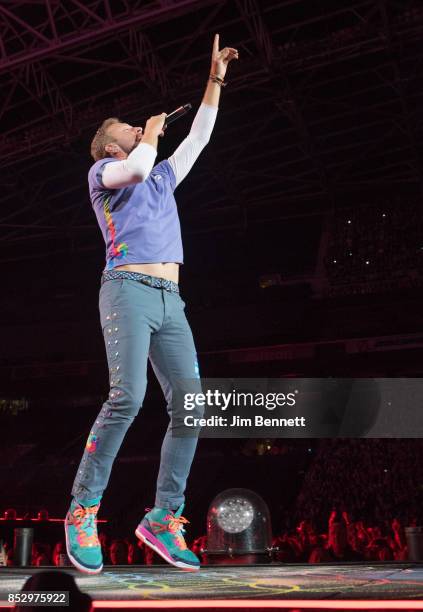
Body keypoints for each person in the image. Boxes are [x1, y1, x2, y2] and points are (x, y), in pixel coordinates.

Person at [64, 34, 239, 575]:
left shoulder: (160, 174)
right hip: (127, 289)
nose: (141, 130)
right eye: (130, 131)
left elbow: (200, 139)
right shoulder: (106, 175)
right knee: (128, 397)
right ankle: (82, 510)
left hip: (171, 299)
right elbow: (137, 165)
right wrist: (154, 132)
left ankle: (163, 517)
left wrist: (213, 80)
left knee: (192, 406)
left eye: (141, 128)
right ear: (110, 147)